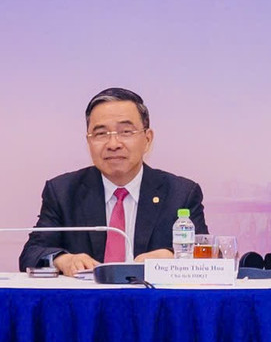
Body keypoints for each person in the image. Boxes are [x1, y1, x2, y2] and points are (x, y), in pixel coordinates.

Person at [19, 87, 206, 275]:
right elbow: (31, 253)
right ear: (89, 142)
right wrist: (63, 260)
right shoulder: (63, 192)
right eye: (101, 134)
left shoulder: (181, 194)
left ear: (147, 139)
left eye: (126, 132)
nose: (113, 144)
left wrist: (173, 256)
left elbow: (207, 256)